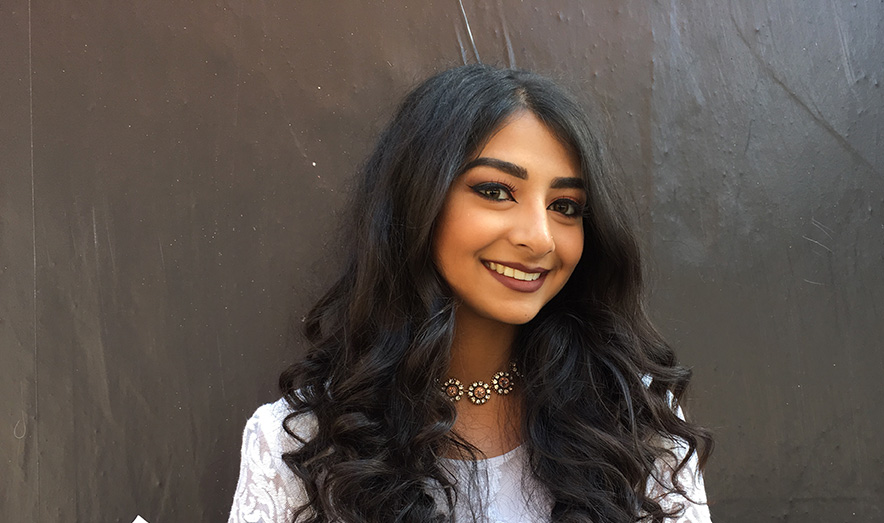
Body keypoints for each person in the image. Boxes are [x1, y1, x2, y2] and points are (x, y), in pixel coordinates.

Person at [228, 64, 714, 523]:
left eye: (565, 206)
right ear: (419, 198)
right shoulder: (304, 444)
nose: (540, 238)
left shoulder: (633, 424)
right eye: (497, 191)